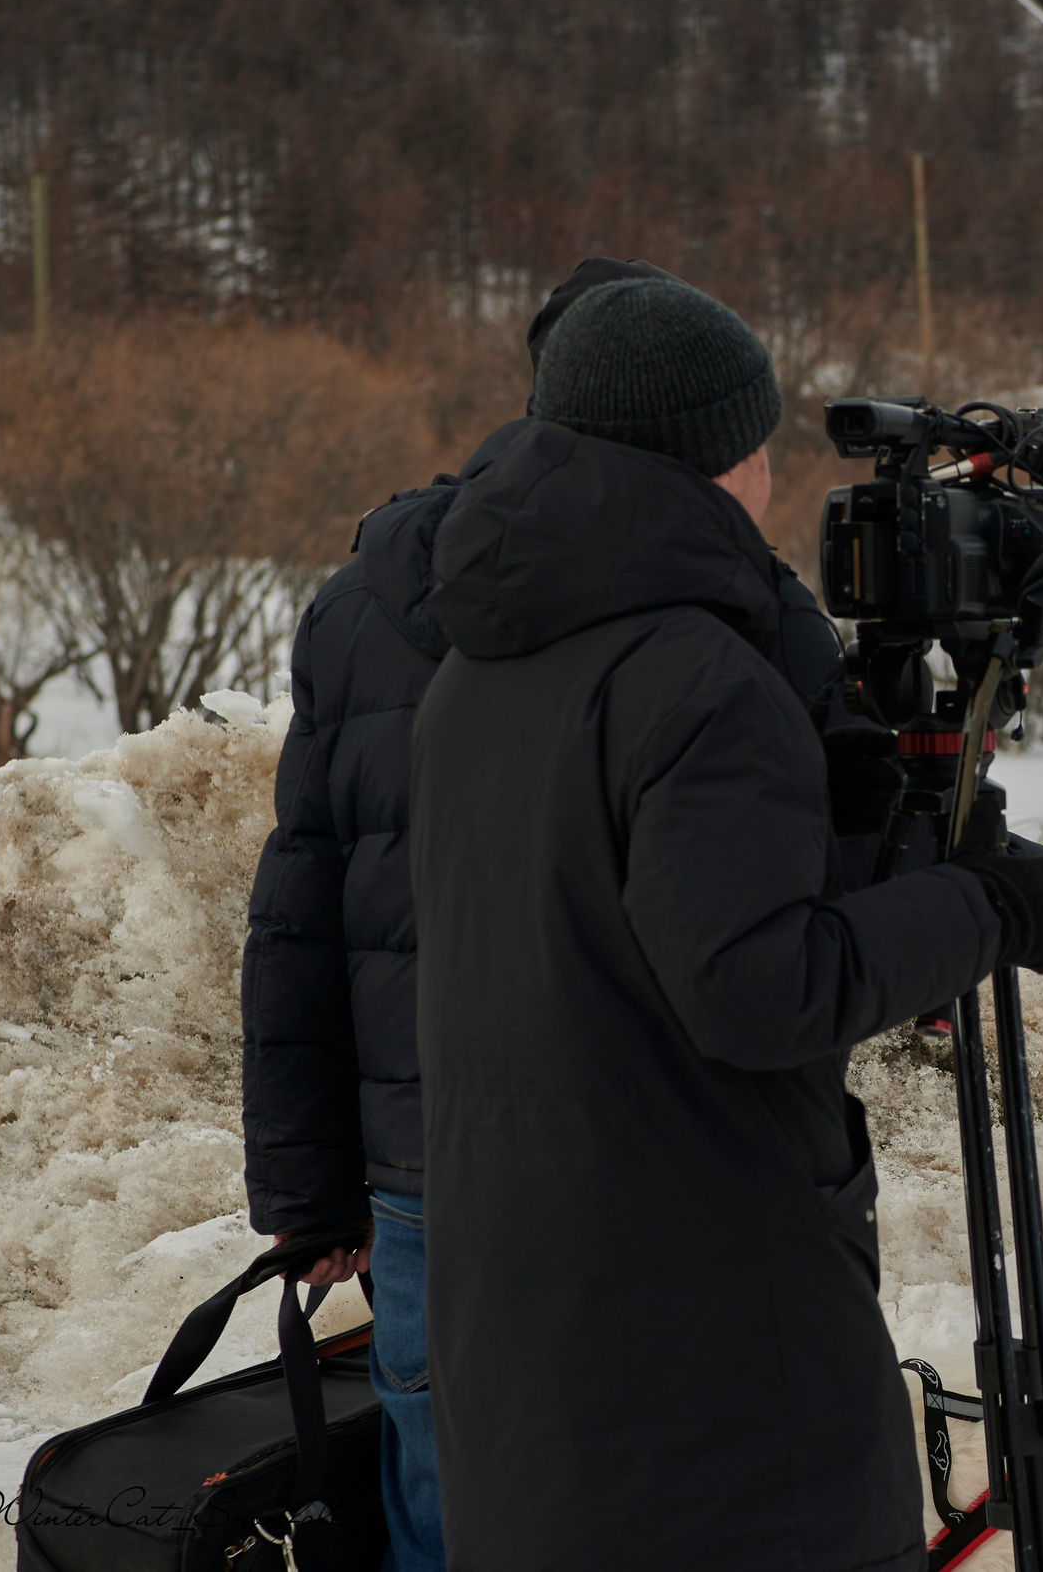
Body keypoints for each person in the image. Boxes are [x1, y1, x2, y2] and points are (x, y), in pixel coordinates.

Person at [408, 277, 1043, 1571]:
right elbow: (763, 985)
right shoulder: (698, 677)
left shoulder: (479, 666)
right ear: (724, 453)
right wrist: (1003, 905)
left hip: (526, 1362)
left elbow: (643, 927)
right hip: (717, 1382)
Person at [240, 255, 718, 1570]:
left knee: (448, 1507)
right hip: (631, 1161)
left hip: (420, 1174)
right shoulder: (686, 600)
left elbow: (300, 911)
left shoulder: (360, 603)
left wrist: (306, 1182)